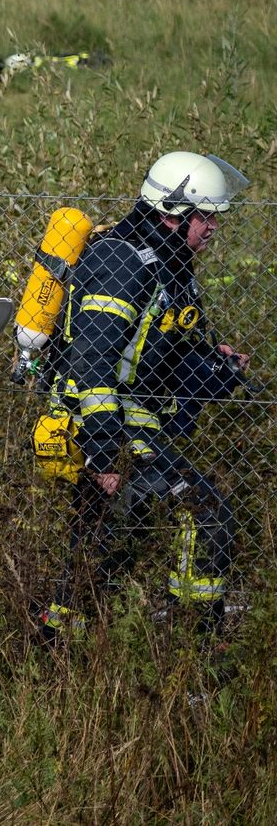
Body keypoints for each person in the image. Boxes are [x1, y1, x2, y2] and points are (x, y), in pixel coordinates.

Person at [41, 151, 251, 639]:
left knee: (107, 539)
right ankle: (195, 647)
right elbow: (91, 361)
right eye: (204, 216)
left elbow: (161, 361)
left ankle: (60, 642)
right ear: (171, 213)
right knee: (206, 513)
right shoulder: (122, 260)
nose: (212, 228)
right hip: (104, 422)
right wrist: (102, 451)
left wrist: (217, 370)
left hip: (132, 418)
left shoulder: (171, 267)